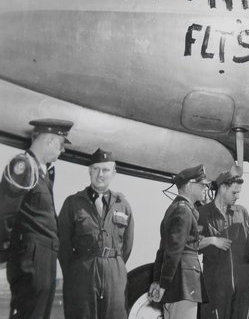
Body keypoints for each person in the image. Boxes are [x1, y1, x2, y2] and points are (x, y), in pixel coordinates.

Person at [0, 118, 73, 319]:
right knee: (29, 312)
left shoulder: (44, 171)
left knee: (39, 314)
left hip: (42, 256)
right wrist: (4, 254)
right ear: (49, 140)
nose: (63, 150)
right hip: (30, 258)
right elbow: (5, 212)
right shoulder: (23, 165)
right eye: (61, 144)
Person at [58, 148, 134, 319]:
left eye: (106, 170)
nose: (101, 174)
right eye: (96, 169)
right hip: (82, 272)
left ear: (114, 173)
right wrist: (75, 273)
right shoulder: (73, 203)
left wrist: (111, 264)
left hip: (115, 274)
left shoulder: (123, 205)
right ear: (89, 171)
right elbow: (63, 246)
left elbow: (127, 246)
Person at [149, 164, 210, 319]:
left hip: (178, 284)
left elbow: (163, 249)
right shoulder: (183, 211)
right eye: (202, 185)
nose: (205, 188)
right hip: (184, 284)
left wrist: (158, 281)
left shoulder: (176, 208)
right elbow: (174, 250)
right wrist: (163, 284)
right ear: (189, 186)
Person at [198, 165, 249, 319]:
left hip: (243, 287)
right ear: (223, 188)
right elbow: (190, 244)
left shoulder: (241, 212)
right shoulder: (202, 214)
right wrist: (212, 240)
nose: (237, 196)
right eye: (234, 192)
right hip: (216, 288)